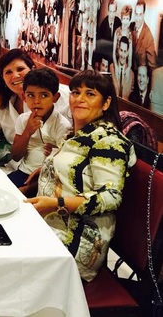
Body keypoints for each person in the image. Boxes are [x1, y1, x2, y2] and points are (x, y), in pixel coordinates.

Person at [25, 70, 136, 282]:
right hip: (51, 225)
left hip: (78, 240)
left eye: (90, 94)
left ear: (106, 103)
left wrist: (56, 203)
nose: (80, 99)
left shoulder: (108, 141)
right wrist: (47, 170)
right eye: (76, 92)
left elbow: (111, 197)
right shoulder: (78, 134)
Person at [10, 68, 72, 187]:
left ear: (55, 97)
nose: (37, 101)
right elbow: (15, 156)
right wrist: (27, 132)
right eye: (31, 95)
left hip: (48, 178)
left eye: (44, 95)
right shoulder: (23, 119)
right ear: (24, 97)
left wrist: (55, 153)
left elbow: (61, 167)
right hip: (23, 172)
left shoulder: (62, 126)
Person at [131, 0, 157, 71]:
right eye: (136, 14)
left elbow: (152, 66)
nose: (138, 18)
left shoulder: (148, 36)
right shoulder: (131, 27)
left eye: (140, 14)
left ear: (144, 14)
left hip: (141, 76)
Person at [110, 35, 134, 99]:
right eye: (121, 50)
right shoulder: (111, 68)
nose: (123, 55)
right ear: (118, 50)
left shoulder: (131, 74)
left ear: (128, 53)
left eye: (125, 51)